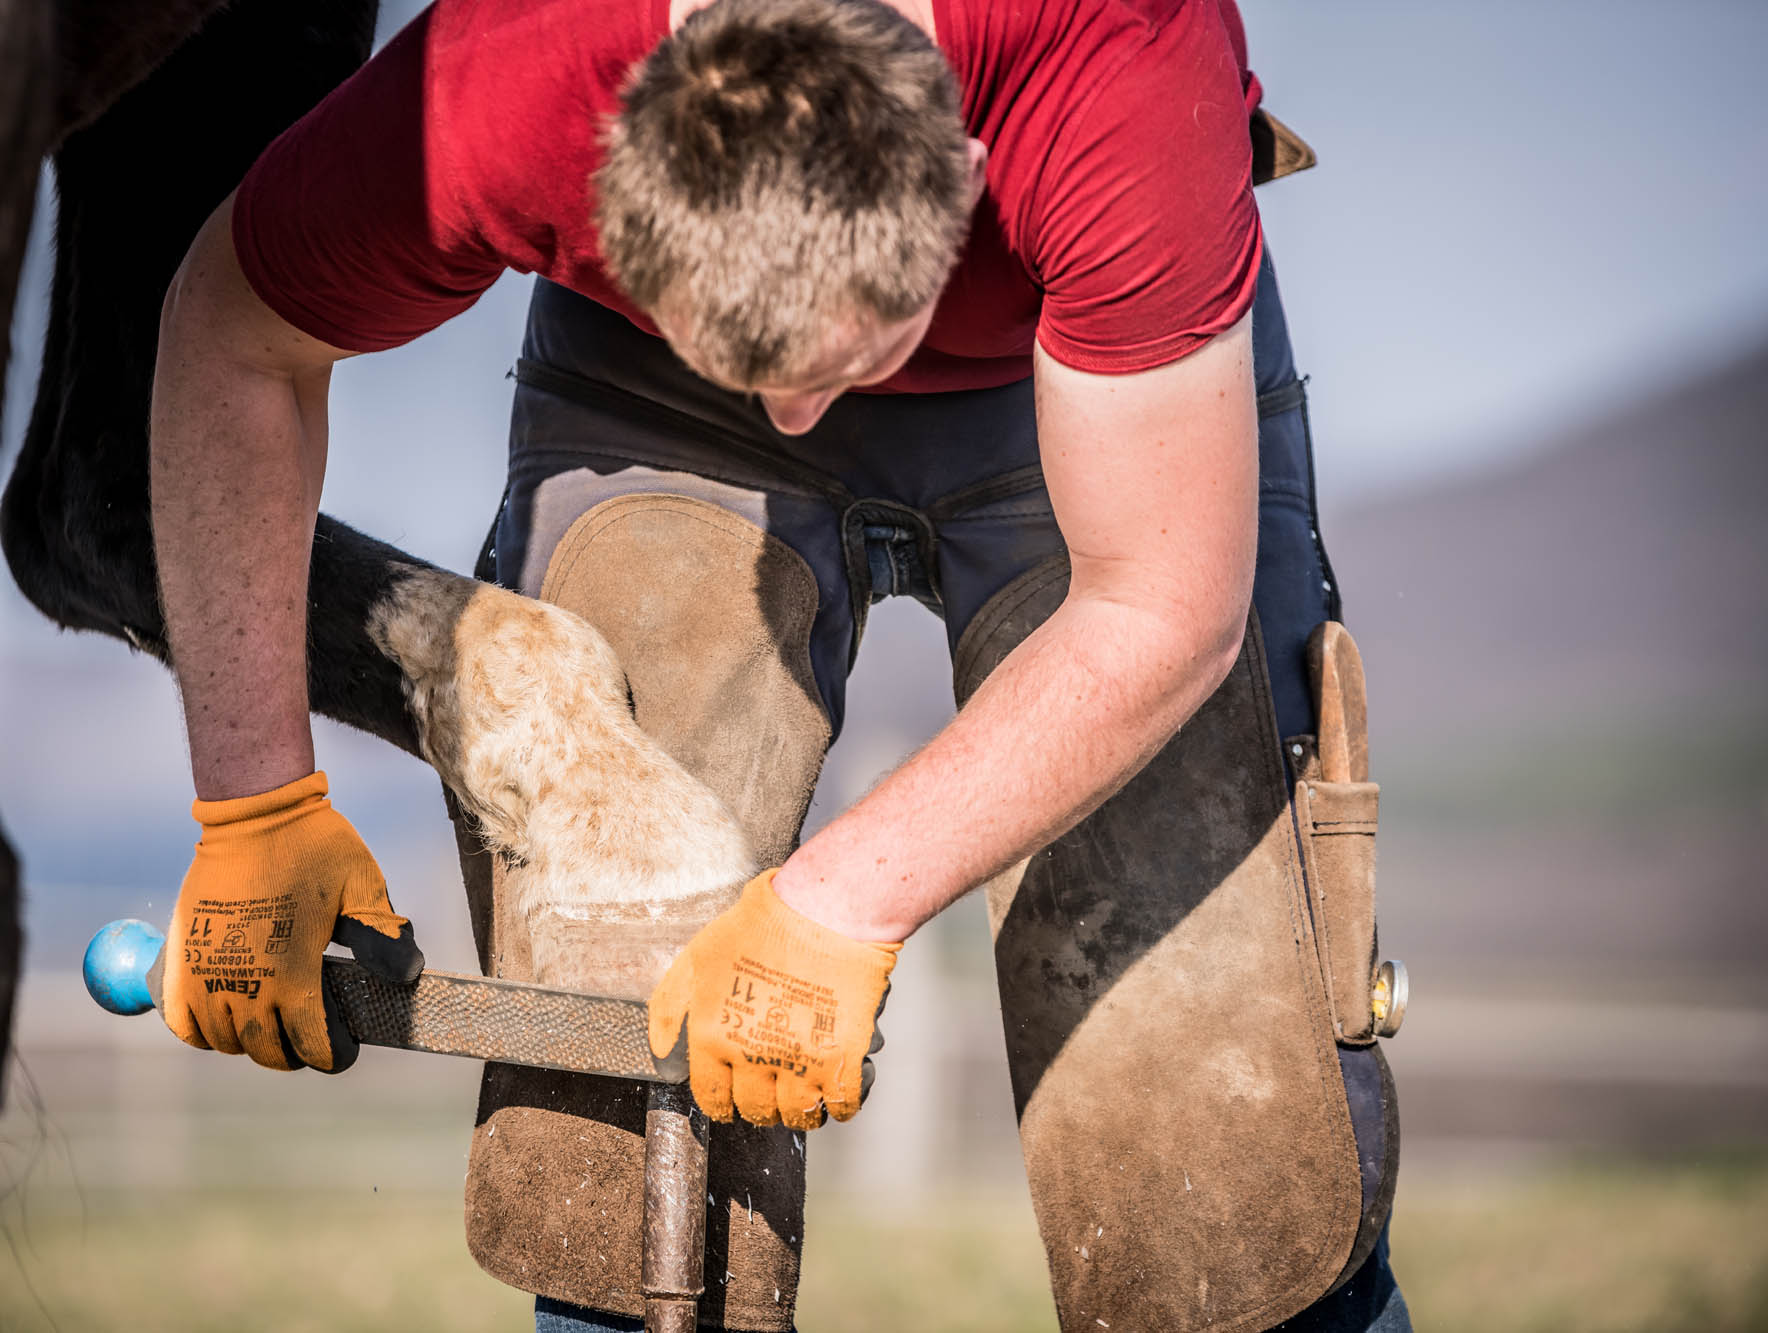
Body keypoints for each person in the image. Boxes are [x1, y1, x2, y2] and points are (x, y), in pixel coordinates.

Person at [146, 0, 1410, 1327]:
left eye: (835, 368)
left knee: (1218, 1149)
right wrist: (253, 802)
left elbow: (1161, 609)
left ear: (965, 173)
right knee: (612, 1145)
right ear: (605, 173)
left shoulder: (1116, 61)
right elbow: (231, 339)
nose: (801, 415)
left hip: (1069, 361)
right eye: (763, 377)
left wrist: (845, 897)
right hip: (655, 391)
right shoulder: (505, 81)